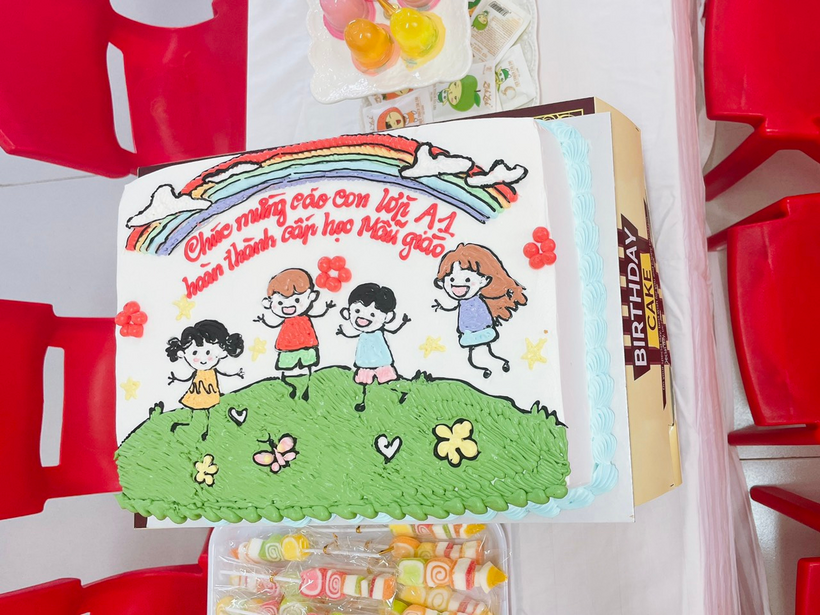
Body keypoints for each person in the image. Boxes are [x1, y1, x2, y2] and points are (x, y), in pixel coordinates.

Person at [432, 243, 526, 378]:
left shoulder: (479, 301)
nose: (457, 286)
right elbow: (455, 308)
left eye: (467, 279)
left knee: (483, 352)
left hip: (480, 330)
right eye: (451, 279)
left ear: (484, 280)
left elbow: (485, 316)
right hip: (468, 332)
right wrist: (441, 307)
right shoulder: (463, 302)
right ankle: (490, 367)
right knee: (476, 354)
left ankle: (496, 365)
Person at [255, 268, 334, 400]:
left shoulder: (304, 318)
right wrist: (263, 321)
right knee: (286, 368)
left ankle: (307, 388)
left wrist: (326, 308)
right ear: (269, 303)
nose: (288, 306)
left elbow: (317, 314)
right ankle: (290, 387)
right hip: (287, 346)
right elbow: (274, 324)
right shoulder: (286, 322)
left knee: (307, 366)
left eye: (297, 300)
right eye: (280, 302)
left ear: (311, 296)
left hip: (306, 344)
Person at [337, 283, 410, 411]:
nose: (363, 318)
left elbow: (393, 331)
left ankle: (400, 393)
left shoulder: (378, 333)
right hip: (365, 361)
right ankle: (363, 401)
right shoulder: (363, 335)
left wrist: (403, 323)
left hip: (381, 360)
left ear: (388, 317)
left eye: (372, 314)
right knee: (364, 382)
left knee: (387, 379)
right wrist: (343, 333)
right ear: (347, 312)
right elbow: (352, 335)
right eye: (357, 311)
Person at [166, 319, 244, 410]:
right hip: (195, 395)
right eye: (194, 353)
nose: (203, 359)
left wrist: (235, 374)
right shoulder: (198, 372)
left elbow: (223, 373)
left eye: (208, 353)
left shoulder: (212, 371)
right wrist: (176, 378)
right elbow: (189, 378)